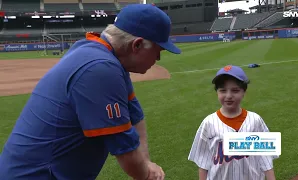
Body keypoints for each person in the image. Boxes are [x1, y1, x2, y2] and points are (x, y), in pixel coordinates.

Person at [0, 4, 181, 180]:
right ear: (137, 45)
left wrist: (146, 163)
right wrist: (146, 174)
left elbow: (136, 117)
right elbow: (126, 151)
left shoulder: (103, 56)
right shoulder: (100, 68)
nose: (157, 58)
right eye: (158, 51)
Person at [187, 65, 278, 180]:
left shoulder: (255, 120)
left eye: (235, 90)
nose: (229, 96)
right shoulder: (208, 123)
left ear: (244, 92)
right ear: (217, 92)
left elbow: (266, 158)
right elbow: (203, 162)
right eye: (223, 90)